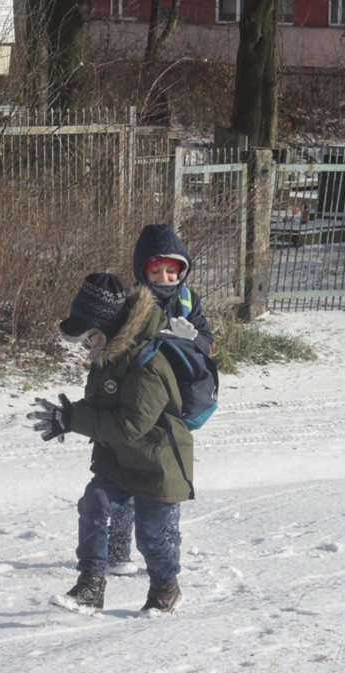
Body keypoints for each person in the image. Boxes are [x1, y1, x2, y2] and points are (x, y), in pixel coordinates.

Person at [28, 272, 194, 614]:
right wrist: (67, 416)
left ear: (108, 327)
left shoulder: (148, 364)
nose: (86, 345)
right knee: (94, 503)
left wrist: (74, 420)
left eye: (89, 336)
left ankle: (166, 586)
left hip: (158, 464)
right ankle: (90, 585)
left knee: (149, 536)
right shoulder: (110, 355)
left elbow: (131, 424)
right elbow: (105, 407)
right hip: (120, 459)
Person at [107, 223, 215, 576]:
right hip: (136, 400)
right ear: (143, 270)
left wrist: (191, 338)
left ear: (182, 270)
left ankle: (171, 549)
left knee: (167, 477)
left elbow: (207, 345)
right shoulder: (132, 302)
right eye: (157, 270)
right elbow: (116, 343)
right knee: (125, 470)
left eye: (172, 270)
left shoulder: (188, 300)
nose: (165, 277)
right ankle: (117, 548)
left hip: (173, 404)